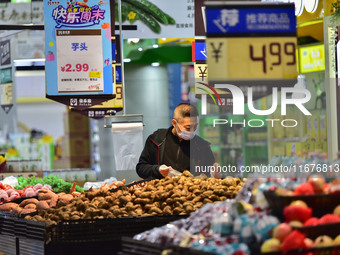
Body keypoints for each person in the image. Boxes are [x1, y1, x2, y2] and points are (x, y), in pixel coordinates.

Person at [136, 103, 221, 179]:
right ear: (174, 123)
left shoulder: (203, 147)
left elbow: (211, 174)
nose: (192, 131)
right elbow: (141, 168)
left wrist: (216, 175)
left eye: (195, 127)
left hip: (193, 193)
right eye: (188, 127)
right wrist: (157, 170)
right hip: (161, 192)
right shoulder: (156, 140)